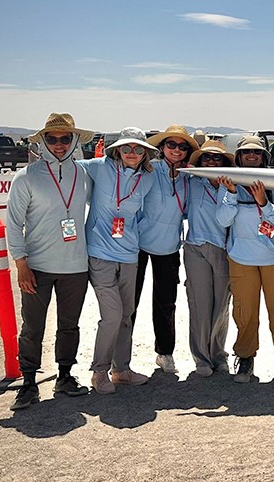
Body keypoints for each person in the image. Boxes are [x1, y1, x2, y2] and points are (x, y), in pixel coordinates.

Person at [7, 113, 94, 409]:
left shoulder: (83, 174)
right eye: (52, 138)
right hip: (37, 268)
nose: (59, 144)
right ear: (43, 141)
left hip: (76, 267)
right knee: (32, 327)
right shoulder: (27, 176)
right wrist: (21, 264)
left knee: (70, 326)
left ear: (73, 141)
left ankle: (65, 376)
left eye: (65, 138)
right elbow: (13, 223)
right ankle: (29, 383)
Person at [84, 127, 158, 394]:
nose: (132, 153)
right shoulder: (97, 167)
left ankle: (122, 370)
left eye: (138, 149)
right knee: (112, 315)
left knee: (126, 315)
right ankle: (99, 371)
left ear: (145, 153)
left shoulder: (148, 178)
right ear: (116, 149)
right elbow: (65, 168)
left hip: (129, 254)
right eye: (126, 148)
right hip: (101, 254)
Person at [217, 136, 274, 384]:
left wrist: (264, 202)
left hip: (273, 258)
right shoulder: (230, 183)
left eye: (256, 152)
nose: (251, 156)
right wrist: (230, 194)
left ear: (264, 157)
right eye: (246, 152)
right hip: (241, 258)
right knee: (245, 311)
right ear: (239, 156)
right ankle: (246, 357)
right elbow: (223, 220)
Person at [136, 125, 199, 374]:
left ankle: (165, 353)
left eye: (182, 146)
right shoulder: (149, 171)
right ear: (161, 148)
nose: (176, 150)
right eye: (171, 145)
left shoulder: (189, 177)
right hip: (139, 244)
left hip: (169, 246)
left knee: (166, 302)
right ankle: (121, 358)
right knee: (129, 301)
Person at [184, 140, 234, 377]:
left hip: (224, 249)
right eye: (207, 158)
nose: (212, 163)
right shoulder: (191, 182)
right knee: (199, 304)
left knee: (221, 306)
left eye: (217, 159)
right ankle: (201, 358)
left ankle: (218, 354)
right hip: (196, 247)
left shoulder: (232, 185)